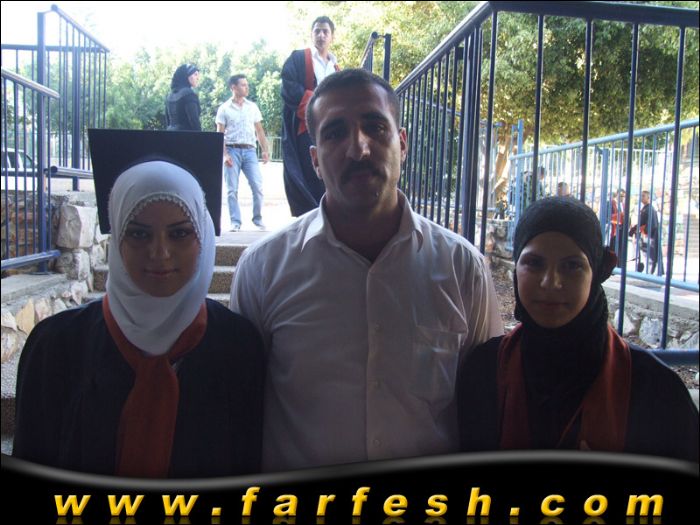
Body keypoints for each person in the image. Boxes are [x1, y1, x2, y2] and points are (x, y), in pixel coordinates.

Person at [230, 69, 503, 472]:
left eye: (375, 127)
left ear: (402, 144)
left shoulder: (462, 269)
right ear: (315, 160)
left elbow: (487, 406)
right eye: (335, 133)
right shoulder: (263, 269)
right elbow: (240, 410)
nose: (358, 149)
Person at [12, 130, 265, 478]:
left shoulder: (238, 348)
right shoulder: (56, 347)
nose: (160, 253)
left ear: (203, 238)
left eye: (180, 233)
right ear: (116, 236)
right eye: (138, 233)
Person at [457, 197, 698, 461]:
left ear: (595, 274)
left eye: (572, 266)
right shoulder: (483, 371)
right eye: (534, 263)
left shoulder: (655, 391)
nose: (550, 282)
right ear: (516, 269)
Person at [280, 15, 340, 217]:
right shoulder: (299, 58)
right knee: (309, 171)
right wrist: (315, 107)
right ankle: (309, 217)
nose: (321, 35)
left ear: (332, 36)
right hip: (306, 127)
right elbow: (288, 85)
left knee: (329, 171)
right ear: (311, 34)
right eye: (317, 31)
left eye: (325, 31)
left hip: (331, 130)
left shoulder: (336, 67)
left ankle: (329, 216)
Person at [216, 74, 270, 232]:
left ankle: (258, 218)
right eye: (243, 85)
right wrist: (224, 154)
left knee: (257, 186)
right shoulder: (224, 108)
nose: (247, 87)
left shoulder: (252, 107)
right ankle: (235, 222)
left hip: (250, 150)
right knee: (232, 189)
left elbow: (259, 130)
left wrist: (265, 150)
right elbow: (220, 134)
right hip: (231, 149)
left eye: (247, 84)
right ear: (233, 87)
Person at [629, 190, 663, 275]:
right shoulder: (646, 208)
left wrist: (640, 230)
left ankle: (651, 273)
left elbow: (650, 224)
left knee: (650, 255)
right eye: (641, 196)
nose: (641, 197)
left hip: (649, 236)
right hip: (648, 235)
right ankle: (651, 272)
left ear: (648, 197)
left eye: (643, 196)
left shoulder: (649, 209)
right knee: (649, 255)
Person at [165, 63, 201, 131]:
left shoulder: (169, 96)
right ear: (187, 76)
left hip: (170, 135)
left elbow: (168, 122)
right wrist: (201, 137)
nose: (198, 78)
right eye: (195, 74)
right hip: (186, 136)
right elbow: (194, 121)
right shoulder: (189, 94)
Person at [609, 189, 626, 267]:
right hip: (614, 230)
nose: (622, 198)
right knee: (613, 248)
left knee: (621, 249)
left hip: (622, 230)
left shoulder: (623, 204)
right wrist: (620, 216)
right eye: (621, 196)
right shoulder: (611, 203)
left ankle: (620, 265)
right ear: (617, 194)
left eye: (623, 196)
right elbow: (609, 217)